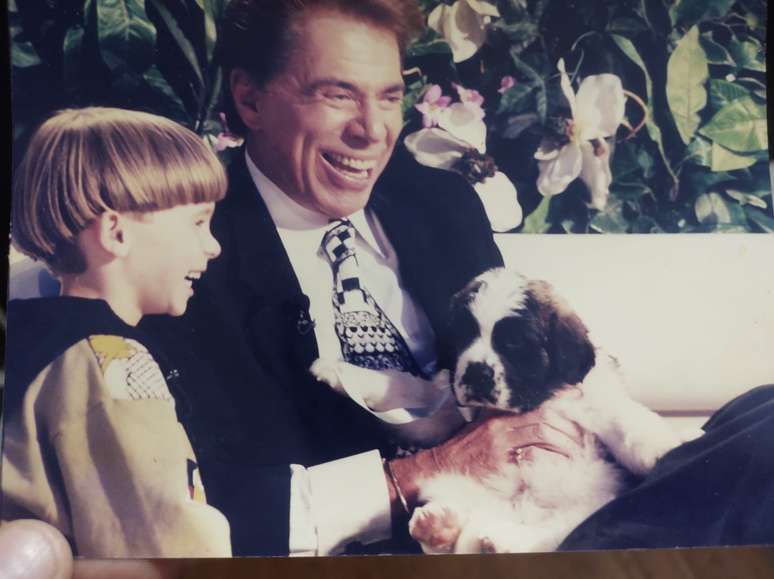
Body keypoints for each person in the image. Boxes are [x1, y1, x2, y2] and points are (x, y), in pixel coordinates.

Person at [138, 0, 579, 556]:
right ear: (249, 99)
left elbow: (526, 367)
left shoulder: (442, 205)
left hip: (531, 522)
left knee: (725, 446)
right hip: (360, 560)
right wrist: (416, 475)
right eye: (337, 95)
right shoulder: (190, 258)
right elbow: (197, 503)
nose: (372, 132)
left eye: (390, 97)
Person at [1, 107, 231, 557]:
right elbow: (166, 538)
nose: (213, 245)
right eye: (198, 222)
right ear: (116, 233)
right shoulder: (113, 362)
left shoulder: (31, 337)